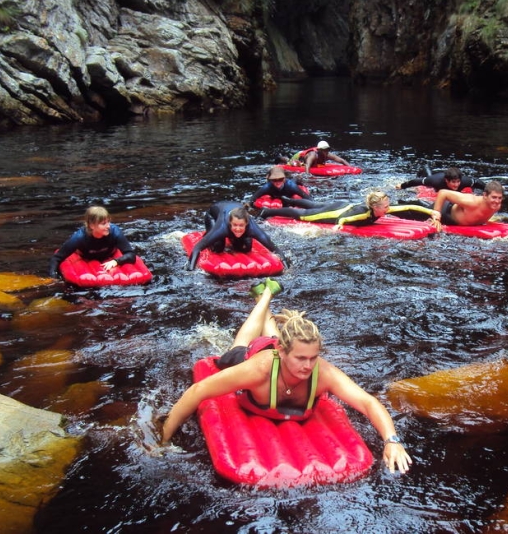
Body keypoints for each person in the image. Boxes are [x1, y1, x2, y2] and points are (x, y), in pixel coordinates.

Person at [161, 280, 412, 473]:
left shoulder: (321, 372)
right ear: (282, 353)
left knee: (275, 336)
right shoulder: (257, 370)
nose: (308, 365)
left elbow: (367, 402)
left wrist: (392, 440)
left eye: (313, 357)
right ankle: (264, 296)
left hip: (280, 346)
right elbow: (198, 392)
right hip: (257, 354)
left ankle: (268, 299)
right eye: (301, 358)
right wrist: (163, 439)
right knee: (239, 346)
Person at [254, 191, 442, 230]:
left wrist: (430, 212)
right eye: (385, 206)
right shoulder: (364, 214)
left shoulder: (381, 209)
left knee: (315, 204)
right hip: (338, 213)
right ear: (375, 208)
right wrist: (338, 227)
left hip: (342, 204)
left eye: (388, 205)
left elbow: (409, 206)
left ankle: (287, 198)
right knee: (304, 215)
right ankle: (266, 212)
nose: (389, 208)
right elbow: (344, 220)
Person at [185, 201, 289, 270]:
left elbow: (275, 249)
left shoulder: (253, 229)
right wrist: (190, 269)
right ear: (230, 223)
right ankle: (210, 234)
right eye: (234, 225)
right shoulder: (222, 227)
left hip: (236, 213)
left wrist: (287, 269)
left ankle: (232, 236)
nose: (238, 228)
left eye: (241, 226)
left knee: (246, 248)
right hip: (213, 215)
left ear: (247, 224)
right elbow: (197, 247)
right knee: (218, 247)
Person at [49, 205, 138, 278]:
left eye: (108, 222)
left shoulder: (115, 232)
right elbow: (56, 258)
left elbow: (131, 255)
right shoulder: (79, 238)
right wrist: (54, 278)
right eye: (103, 223)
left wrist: (116, 261)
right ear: (91, 226)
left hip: (109, 255)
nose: (108, 226)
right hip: (86, 257)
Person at [432, 181, 504, 226]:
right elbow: (443, 193)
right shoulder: (471, 202)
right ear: (485, 195)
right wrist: (436, 217)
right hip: (445, 212)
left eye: (499, 198)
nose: (497, 201)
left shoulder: (496, 206)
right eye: (494, 197)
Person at [248, 165, 312, 206]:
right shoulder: (267, 187)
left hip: (290, 191)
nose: (277, 182)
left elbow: (308, 198)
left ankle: (298, 177)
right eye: (274, 180)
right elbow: (252, 199)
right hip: (278, 197)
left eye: (280, 179)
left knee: (295, 181)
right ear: (271, 180)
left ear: (284, 179)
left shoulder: (291, 186)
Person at [397, 166, 486, 193]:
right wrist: (401, 186)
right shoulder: (435, 181)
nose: (456, 184)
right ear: (447, 181)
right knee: (427, 178)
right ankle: (425, 167)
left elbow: (478, 182)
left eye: (458, 181)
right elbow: (416, 182)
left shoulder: (465, 181)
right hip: (435, 179)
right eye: (453, 182)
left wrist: (489, 191)